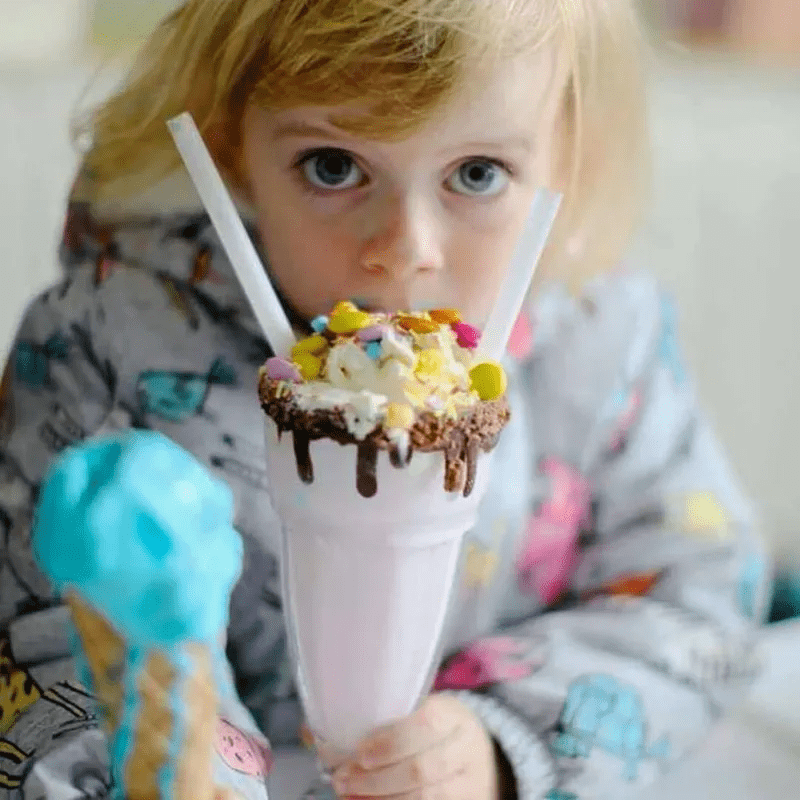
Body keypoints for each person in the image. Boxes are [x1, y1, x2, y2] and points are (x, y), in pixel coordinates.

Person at [0, 1, 771, 798]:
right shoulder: (104, 348)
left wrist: (503, 739)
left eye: (477, 173)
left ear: (568, 153)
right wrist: (188, 773)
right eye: (333, 166)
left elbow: (701, 599)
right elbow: (48, 640)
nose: (405, 252)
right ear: (231, 147)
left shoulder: (601, 344)